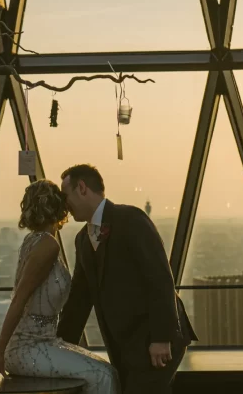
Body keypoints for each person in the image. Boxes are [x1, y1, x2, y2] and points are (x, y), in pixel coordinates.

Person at [57, 164, 196, 394]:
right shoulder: (82, 240)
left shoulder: (130, 219)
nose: (65, 204)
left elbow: (159, 277)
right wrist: (60, 345)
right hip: (125, 346)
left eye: (66, 195)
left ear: (82, 188)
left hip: (155, 340)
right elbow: (80, 300)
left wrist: (161, 338)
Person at [0, 179, 119, 394]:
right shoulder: (47, 244)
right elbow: (19, 300)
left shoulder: (33, 240)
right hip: (28, 348)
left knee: (104, 370)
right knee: (104, 374)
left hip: (42, 342)